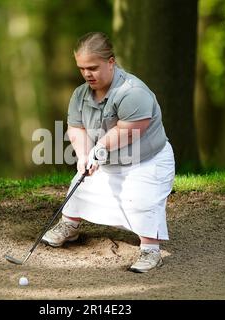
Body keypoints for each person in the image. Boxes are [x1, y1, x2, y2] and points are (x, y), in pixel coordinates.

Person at [41, 32, 175, 273]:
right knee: (79, 188)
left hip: (146, 161)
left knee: (142, 202)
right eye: (81, 68)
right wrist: (84, 156)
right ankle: (69, 227)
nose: (86, 74)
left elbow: (129, 131)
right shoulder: (80, 95)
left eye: (93, 67)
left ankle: (150, 250)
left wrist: (100, 148)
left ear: (111, 62)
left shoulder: (133, 92)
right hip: (110, 159)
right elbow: (76, 128)